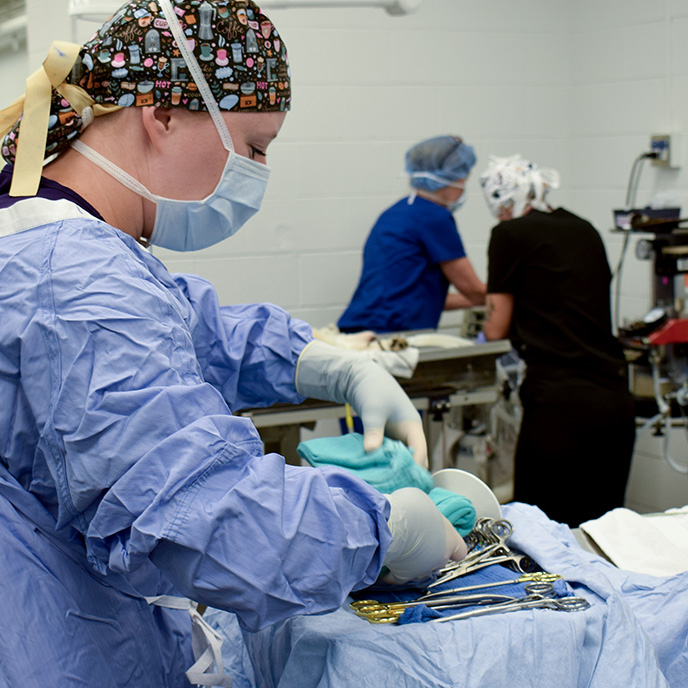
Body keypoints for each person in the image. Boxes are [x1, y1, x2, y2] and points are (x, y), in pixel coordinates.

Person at [0, 2, 467, 686]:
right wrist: (382, 530)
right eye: (253, 147)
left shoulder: (41, 235)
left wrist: (328, 363)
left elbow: (183, 323)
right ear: (161, 113)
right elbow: (195, 521)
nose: (254, 174)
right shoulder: (75, 275)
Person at [479, 155, 636, 527]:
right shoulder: (583, 227)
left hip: (560, 406)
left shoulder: (508, 235)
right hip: (613, 401)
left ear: (508, 201)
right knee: (603, 533)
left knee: (541, 535)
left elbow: (496, 326)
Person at [338, 135, 486, 334]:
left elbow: (415, 294)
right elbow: (475, 292)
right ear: (449, 180)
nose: (463, 188)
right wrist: (516, 297)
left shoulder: (396, 213)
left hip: (361, 328)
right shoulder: (434, 217)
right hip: (391, 333)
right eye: (463, 179)